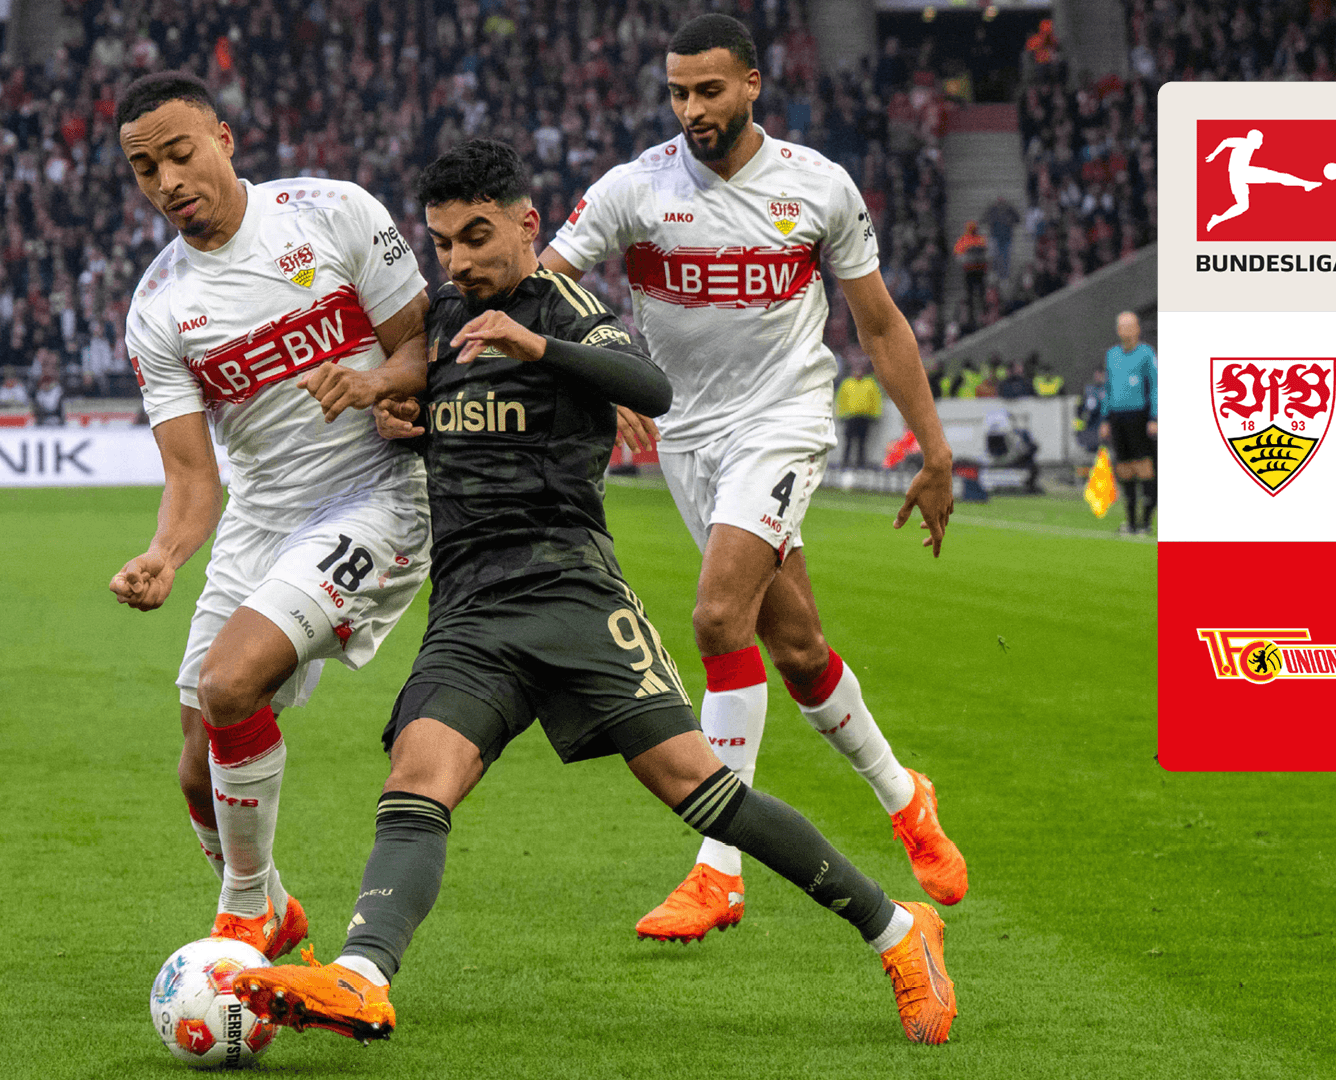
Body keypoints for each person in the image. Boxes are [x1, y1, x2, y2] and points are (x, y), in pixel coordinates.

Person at [231, 139, 957, 1048]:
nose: (458, 261)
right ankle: (361, 975)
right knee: (416, 781)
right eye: (443, 242)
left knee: (704, 793)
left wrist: (537, 347)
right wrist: (391, 403)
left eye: (477, 237)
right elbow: (437, 397)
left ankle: (898, 929)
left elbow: (651, 387)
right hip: (471, 612)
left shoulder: (565, 309)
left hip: (573, 596)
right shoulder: (446, 317)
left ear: (527, 225)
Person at [537, 14, 967, 944]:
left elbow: (880, 325)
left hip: (782, 423)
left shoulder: (818, 186)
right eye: (678, 93)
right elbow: (545, 289)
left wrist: (934, 450)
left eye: (709, 90)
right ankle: (905, 795)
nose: (692, 109)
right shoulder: (634, 188)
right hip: (687, 440)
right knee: (798, 647)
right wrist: (599, 367)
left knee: (716, 618)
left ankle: (717, 868)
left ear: (751, 85)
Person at [106, 72, 434, 963]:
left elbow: (422, 340)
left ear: (224, 139)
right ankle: (276, 909)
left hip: (376, 496)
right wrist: (164, 554)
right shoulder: (158, 307)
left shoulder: (332, 213)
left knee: (229, 685)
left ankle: (243, 910)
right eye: (145, 169)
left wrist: (382, 385)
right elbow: (192, 476)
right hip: (259, 519)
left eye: (180, 154)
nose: (167, 181)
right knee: (196, 771)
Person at [1098, 311, 1157, 534]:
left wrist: (1154, 417)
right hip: (1117, 416)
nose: (1126, 331)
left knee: (1144, 467)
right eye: (1122, 326)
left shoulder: (1146, 353)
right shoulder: (1112, 355)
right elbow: (1108, 388)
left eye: (1130, 326)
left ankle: (1146, 521)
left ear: (1138, 328)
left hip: (1140, 415)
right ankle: (1131, 522)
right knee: (1123, 468)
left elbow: (1155, 386)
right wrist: (1105, 418)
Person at [834, 359, 882, 467]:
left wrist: (876, 414)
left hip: (865, 417)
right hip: (850, 417)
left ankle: (861, 462)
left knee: (862, 442)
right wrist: (840, 414)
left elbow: (876, 400)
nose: (858, 372)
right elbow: (841, 400)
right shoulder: (847, 383)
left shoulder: (870, 383)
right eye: (856, 369)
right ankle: (845, 461)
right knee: (848, 441)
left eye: (860, 370)